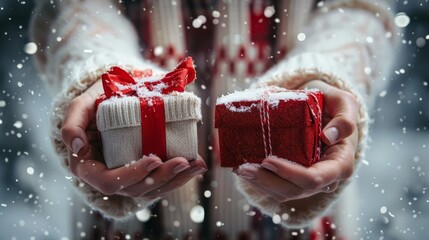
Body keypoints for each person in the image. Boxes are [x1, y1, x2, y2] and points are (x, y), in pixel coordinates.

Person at [30, 0, 397, 239]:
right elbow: (71, 7)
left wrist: (321, 76)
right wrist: (102, 73)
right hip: (125, 217)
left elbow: (363, 10)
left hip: (294, 220)